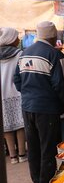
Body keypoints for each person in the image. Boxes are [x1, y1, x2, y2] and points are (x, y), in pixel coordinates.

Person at [13, 21, 64, 183]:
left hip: (27, 107)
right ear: (53, 37)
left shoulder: (24, 53)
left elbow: (17, 80)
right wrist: (61, 104)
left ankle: (37, 182)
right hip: (47, 108)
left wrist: (29, 95)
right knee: (48, 147)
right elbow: (62, 85)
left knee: (34, 146)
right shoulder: (54, 54)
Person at [0, 27, 26, 164]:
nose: (18, 39)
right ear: (11, 39)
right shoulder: (19, 54)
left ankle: (13, 156)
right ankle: (22, 154)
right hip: (17, 92)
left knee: (6, 125)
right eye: (16, 37)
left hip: (2, 94)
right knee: (19, 124)